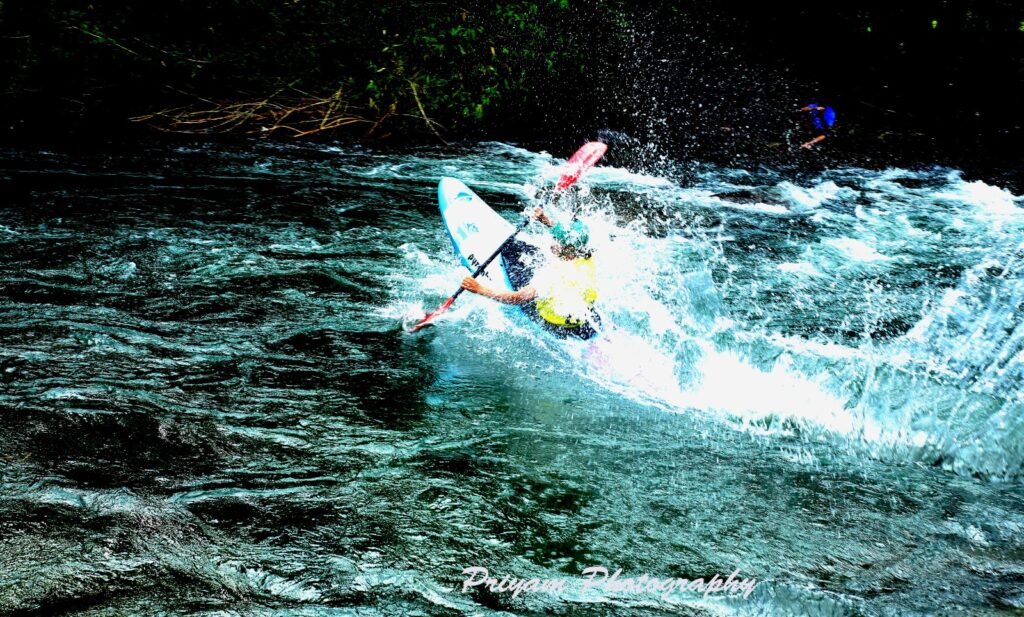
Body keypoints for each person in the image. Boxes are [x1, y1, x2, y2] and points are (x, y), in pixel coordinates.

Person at [459, 206, 601, 340]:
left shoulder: (550, 276)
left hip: (556, 327)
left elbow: (516, 298)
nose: (551, 240)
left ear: (566, 248)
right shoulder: (587, 259)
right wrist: (544, 219)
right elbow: (570, 239)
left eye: (555, 239)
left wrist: (479, 289)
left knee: (511, 250)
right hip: (583, 325)